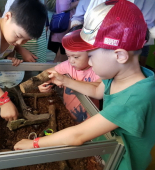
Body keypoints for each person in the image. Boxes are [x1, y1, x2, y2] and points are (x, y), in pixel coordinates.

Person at [14, 1, 155, 170]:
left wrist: (34, 143)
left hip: (124, 162)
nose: (89, 61)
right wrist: (65, 80)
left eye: (92, 55)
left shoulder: (133, 99)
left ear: (120, 55)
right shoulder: (120, 75)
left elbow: (77, 135)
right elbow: (96, 90)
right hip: (110, 147)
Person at [39, 26, 101, 123]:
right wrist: (42, 83)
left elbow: (98, 88)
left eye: (76, 57)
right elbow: (47, 73)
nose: (71, 61)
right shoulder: (68, 65)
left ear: (91, 53)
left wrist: (65, 80)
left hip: (89, 120)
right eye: (68, 56)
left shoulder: (98, 70)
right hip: (67, 113)